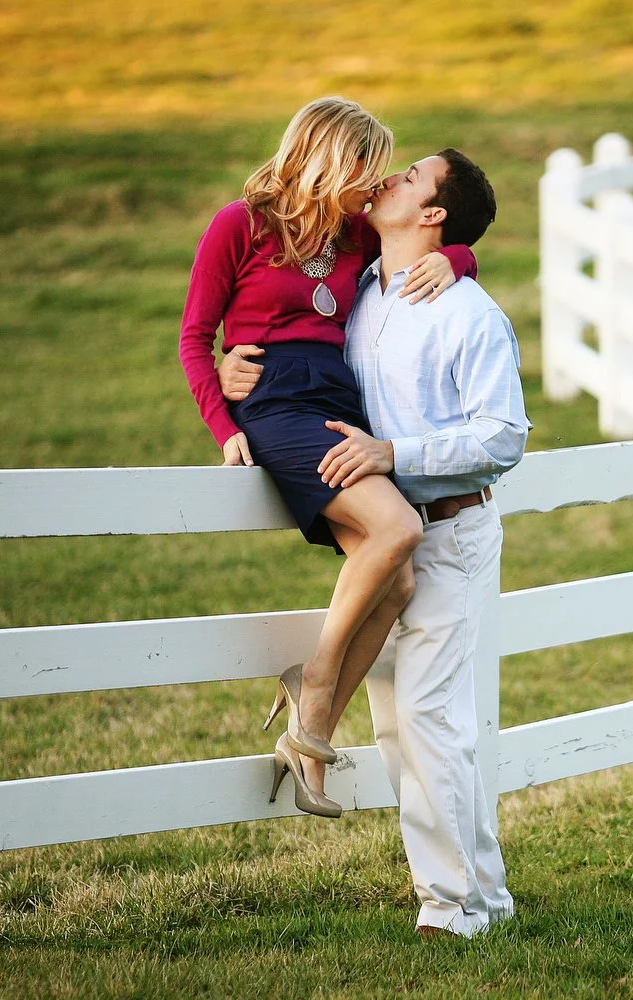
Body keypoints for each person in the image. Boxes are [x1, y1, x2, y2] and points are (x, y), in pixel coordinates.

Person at [218, 147, 527, 938]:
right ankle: (483, 896)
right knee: (403, 723)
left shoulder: (467, 312)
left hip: (449, 531)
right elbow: (284, 321)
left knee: (426, 715)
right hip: (386, 541)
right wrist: (230, 372)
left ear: (433, 214)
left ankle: (450, 907)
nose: (390, 177)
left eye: (411, 177)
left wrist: (396, 455)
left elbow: (504, 435)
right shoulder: (358, 289)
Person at [180, 97, 477, 818]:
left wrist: (455, 257)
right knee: (399, 528)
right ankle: (314, 681)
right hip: (276, 402)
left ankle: (309, 732)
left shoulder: (353, 234)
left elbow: (431, 239)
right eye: (366, 170)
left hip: (338, 400)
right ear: (328, 160)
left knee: (398, 581)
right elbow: (195, 337)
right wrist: (223, 422)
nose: (375, 187)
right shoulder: (239, 225)